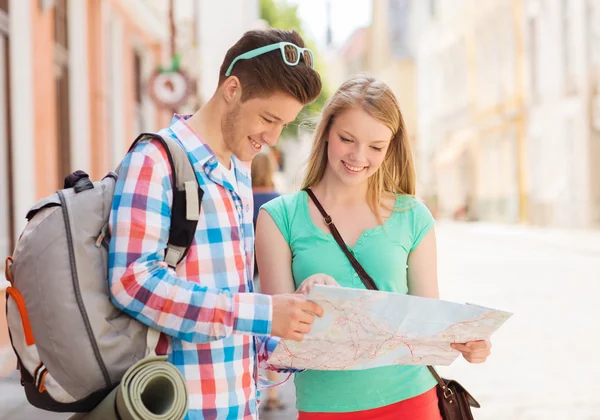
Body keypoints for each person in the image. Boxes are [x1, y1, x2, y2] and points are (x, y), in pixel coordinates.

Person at [108, 29, 323, 419]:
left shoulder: (238, 172)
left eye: (283, 126)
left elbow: (234, 318)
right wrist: (263, 312)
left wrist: (298, 331)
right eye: (268, 118)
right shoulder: (155, 160)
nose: (272, 138)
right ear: (232, 89)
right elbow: (133, 283)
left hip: (237, 406)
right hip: (176, 407)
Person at [255, 75, 492, 419]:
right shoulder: (279, 217)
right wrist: (305, 299)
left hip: (412, 401)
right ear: (325, 133)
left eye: (375, 147)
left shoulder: (413, 216)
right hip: (326, 408)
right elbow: (275, 343)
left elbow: (427, 320)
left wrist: (470, 342)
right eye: (346, 139)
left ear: (391, 147)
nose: (358, 156)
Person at [250, 151, 286, 411]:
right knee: (272, 328)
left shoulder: (243, 197)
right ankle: (272, 394)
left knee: (248, 330)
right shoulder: (277, 202)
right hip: (268, 271)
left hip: (244, 272)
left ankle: (251, 388)